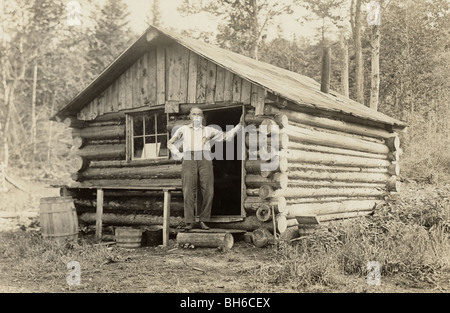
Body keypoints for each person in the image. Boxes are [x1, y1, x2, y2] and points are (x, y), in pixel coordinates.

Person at [168, 107, 244, 230]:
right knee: (188, 190)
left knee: (208, 190)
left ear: (202, 117)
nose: (196, 116)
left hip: (205, 157)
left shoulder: (209, 130)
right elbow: (170, 143)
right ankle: (189, 221)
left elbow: (227, 137)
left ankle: (204, 220)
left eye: (199, 114)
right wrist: (179, 154)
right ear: (189, 116)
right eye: (194, 114)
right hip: (189, 157)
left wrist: (239, 125)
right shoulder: (183, 130)